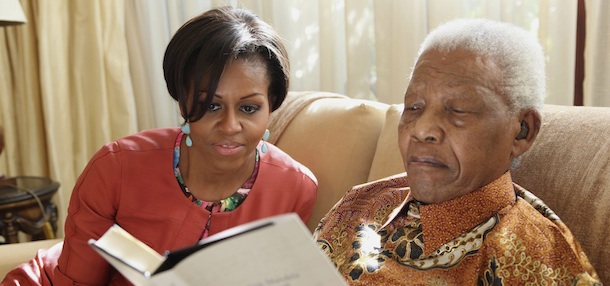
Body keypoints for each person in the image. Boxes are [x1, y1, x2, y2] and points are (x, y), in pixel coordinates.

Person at [2, 6, 317, 285]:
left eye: (249, 108)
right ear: (182, 102)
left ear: (271, 104)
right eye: (211, 106)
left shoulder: (296, 188)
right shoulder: (115, 167)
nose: (230, 126)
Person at [313, 18, 601, 285]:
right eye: (413, 107)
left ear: (522, 131)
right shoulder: (358, 204)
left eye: (458, 109)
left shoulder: (533, 258)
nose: (422, 129)